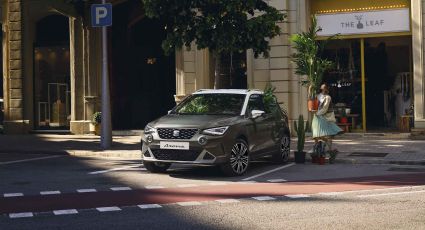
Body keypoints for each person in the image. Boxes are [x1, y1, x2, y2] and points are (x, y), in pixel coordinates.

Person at [312, 84, 343, 152]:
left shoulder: (328, 97)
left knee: (327, 135)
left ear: (326, 89)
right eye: (323, 86)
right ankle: (316, 150)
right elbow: (312, 103)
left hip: (325, 117)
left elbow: (325, 108)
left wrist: (317, 113)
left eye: (325, 87)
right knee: (316, 135)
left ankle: (329, 150)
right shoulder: (317, 96)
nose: (323, 88)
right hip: (317, 117)